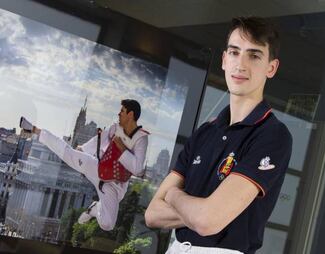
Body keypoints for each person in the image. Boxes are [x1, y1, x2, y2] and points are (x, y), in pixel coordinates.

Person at [145, 17, 292, 254]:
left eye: (254, 56)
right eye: (234, 53)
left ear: (271, 68)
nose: (240, 64)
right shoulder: (204, 133)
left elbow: (207, 221)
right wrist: (205, 211)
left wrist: (173, 195)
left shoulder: (272, 136)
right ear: (224, 60)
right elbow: (152, 214)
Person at [20, 99, 149, 231]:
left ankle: (94, 209)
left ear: (130, 114)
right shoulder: (115, 128)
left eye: (122, 111)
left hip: (115, 185)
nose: (118, 113)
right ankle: (33, 129)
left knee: (108, 225)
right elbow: (98, 141)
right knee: (68, 153)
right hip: (98, 169)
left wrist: (121, 148)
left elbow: (137, 168)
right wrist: (83, 149)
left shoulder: (141, 138)